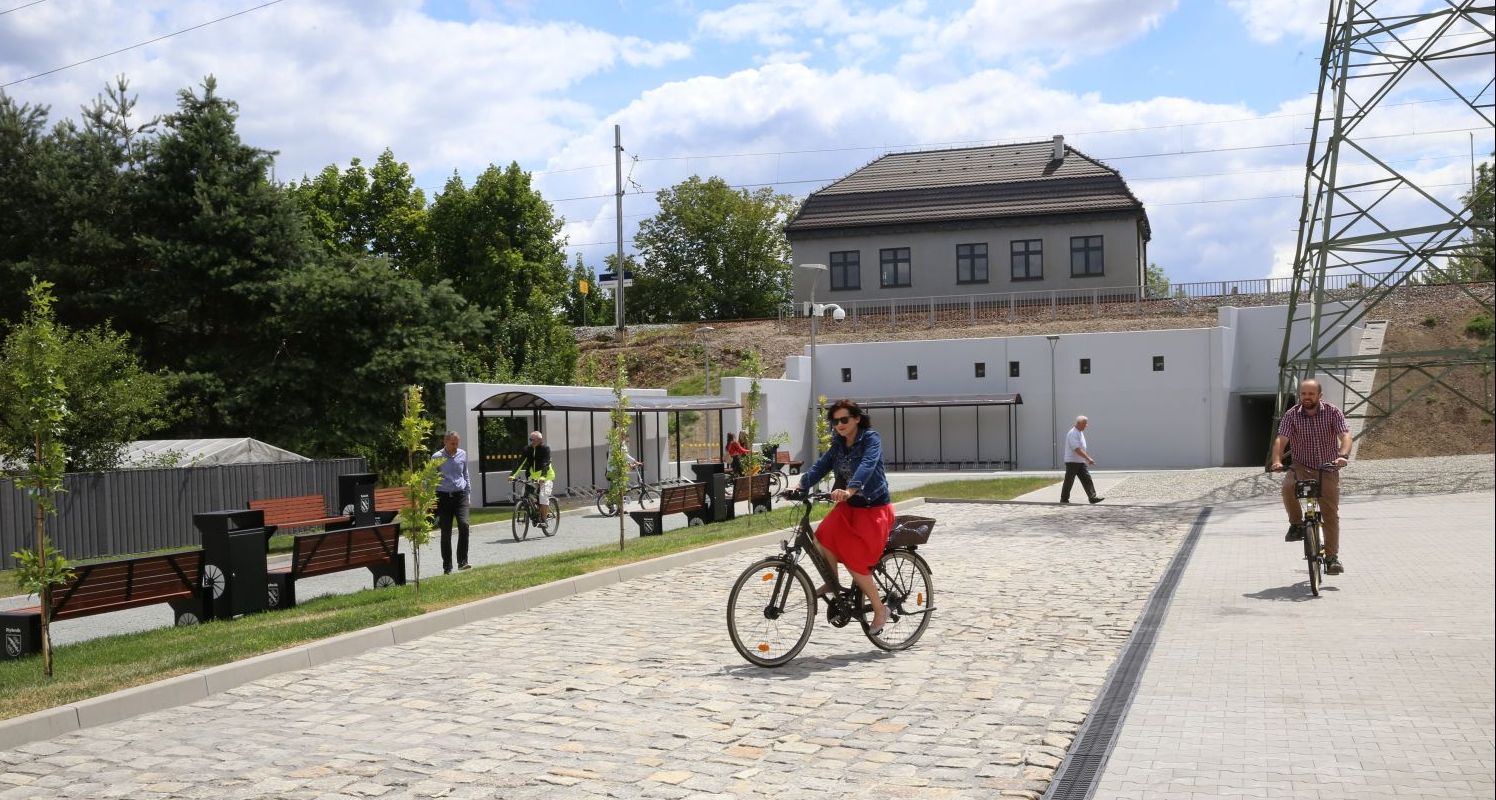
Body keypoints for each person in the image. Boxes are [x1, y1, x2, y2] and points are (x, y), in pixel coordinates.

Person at [795, 399, 892, 635]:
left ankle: (880, 609)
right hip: (849, 508)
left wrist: (850, 489)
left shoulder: (871, 439)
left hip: (873, 509)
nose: (839, 424)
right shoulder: (838, 443)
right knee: (822, 538)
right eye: (835, 421)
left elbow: (868, 465)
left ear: (857, 418)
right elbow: (821, 466)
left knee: (853, 559)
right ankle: (833, 583)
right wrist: (800, 486)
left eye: (844, 419)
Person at [1270, 378, 1351, 575]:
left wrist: (1342, 456)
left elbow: (1345, 436)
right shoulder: (1292, 415)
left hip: (1328, 467)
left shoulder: (1332, 412)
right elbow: (1281, 440)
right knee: (1288, 487)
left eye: (1311, 394)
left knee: (1330, 514)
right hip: (1301, 466)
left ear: (1319, 396)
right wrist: (1277, 461)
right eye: (1303, 394)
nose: (1306, 397)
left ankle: (1331, 558)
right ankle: (1296, 524)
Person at [432, 431, 471, 574]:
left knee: (464, 525)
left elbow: (465, 474)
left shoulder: (462, 454)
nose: (455, 446)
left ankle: (462, 561)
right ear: (445, 442)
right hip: (443, 498)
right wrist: (431, 500)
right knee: (446, 533)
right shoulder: (436, 457)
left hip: (460, 496)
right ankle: (447, 567)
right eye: (452, 443)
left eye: (457, 443)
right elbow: (432, 479)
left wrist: (468, 494)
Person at [510, 430, 556, 527]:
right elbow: (521, 463)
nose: (531, 441)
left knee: (543, 496)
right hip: (533, 477)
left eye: (533, 439)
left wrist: (543, 477)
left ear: (540, 440)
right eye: (530, 439)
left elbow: (545, 463)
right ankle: (534, 512)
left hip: (546, 476)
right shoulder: (527, 449)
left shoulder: (545, 449)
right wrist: (513, 475)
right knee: (525, 494)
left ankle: (544, 520)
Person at [1060, 416, 1105, 504]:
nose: (1086, 426)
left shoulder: (1079, 432)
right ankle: (1064, 499)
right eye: (1084, 424)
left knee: (1087, 479)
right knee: (1069, 481)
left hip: (1080, 461)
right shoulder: (1073, 433)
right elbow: (1077, 449)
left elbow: (1081, 447)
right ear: (1078, 423)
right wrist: (1088, 458)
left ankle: (1092, 497)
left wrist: (1085, 458)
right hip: (1072, 461)